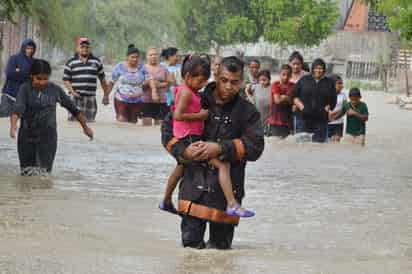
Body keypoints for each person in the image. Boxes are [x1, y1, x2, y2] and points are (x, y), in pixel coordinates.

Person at [161, 56, 264, 249]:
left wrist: (221, 147)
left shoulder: (247, 112)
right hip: (193, 188)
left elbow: (256, 147)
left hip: (226, 195)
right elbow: (167, 128)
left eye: (234, 82)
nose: (228, 87)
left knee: (220, 254)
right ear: (216, 76)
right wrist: (184, 152)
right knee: (190, 254)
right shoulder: (195, 97)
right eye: (224, 80)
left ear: (242, 81)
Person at [9, 59, 93, 175]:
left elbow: (73, 109)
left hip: (47, 139)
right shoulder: (25, 89)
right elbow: (17, 109)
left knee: (44, 174)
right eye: (39, 78)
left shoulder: (55, 89)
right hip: (26, 138)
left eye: (45, 79)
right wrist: (13, 127)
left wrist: (85, 128)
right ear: (31, 76)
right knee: (26, 174)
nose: (42, 82)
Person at [106, 44, 157, 123]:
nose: (135, 59)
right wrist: (106, 95)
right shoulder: (120, 67)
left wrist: (154, 91)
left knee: (133, 123)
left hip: (137, 101)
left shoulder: (142, 67)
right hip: (121, 99)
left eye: (137, 57)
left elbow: (150, 79)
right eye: (132, 57)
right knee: (122, 121)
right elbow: (111, 82)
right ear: (127, 57)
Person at [63, 37, 109, 122]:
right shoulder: (70, 62)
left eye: (87, 47)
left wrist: (106, 95)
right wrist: (73, 92)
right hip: (75, 98)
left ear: (89, 48)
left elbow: (102, 80)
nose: (85, 49)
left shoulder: (96, 62)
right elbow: (66, 80)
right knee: (74, 123)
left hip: (90, 99)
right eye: (82, 46)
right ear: (77, 48)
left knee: (89, 123)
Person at [292, 58, 337, 143]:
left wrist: (328, 107)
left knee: (318, 147)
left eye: (320, 68)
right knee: (302, 146)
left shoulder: (329, 82)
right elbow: (294, 96)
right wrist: (302, 107)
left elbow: (333, 99)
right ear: (312, 68)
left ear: (324, 70)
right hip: (303, 119)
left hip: (321, 120)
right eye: (316, 68)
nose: (318, 70)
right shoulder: (304, 80)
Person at [1, 39, 36, 118]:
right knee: (4, 119)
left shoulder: (34, 62)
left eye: (31, 49)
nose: (29, 51)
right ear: (23, 48)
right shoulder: (14, 58)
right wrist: (25, 74)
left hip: (25, 96)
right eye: (27, 48)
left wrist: (19, 71)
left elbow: (34, 78)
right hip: (10, 95)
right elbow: (9, 73)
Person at [142, 47, 174, 125]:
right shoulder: (142, 68)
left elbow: (171, 81)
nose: (153, 56)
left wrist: (160, 84)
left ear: (158, 56)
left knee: (160, 126)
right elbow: (138, 84)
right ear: (147, 56)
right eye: (151, 55)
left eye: (155, 54)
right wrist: (147, 83)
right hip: (146, 100)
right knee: (147, 125)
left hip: (161, 100)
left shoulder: (163, 68)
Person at [267, 64, 295, 138]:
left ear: (291, 75)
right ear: (279, 74)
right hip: (275, 121)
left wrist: (284, 97)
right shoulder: (275, 85)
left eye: (288, 75)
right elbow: (277, 100)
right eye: (283, 74)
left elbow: (291, 102)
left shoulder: (293, 86)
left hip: (287, 121)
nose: (285, 77)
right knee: (276, 143)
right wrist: (286, 98)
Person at [328, 75, 347, 142]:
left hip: (338, 123)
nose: (341, 85)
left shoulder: (343, 95)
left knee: (336, 143)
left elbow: (345, 108)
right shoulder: (327, 94)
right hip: (327, 123)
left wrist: (334, 115)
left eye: (341, 83)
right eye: (339, 83)